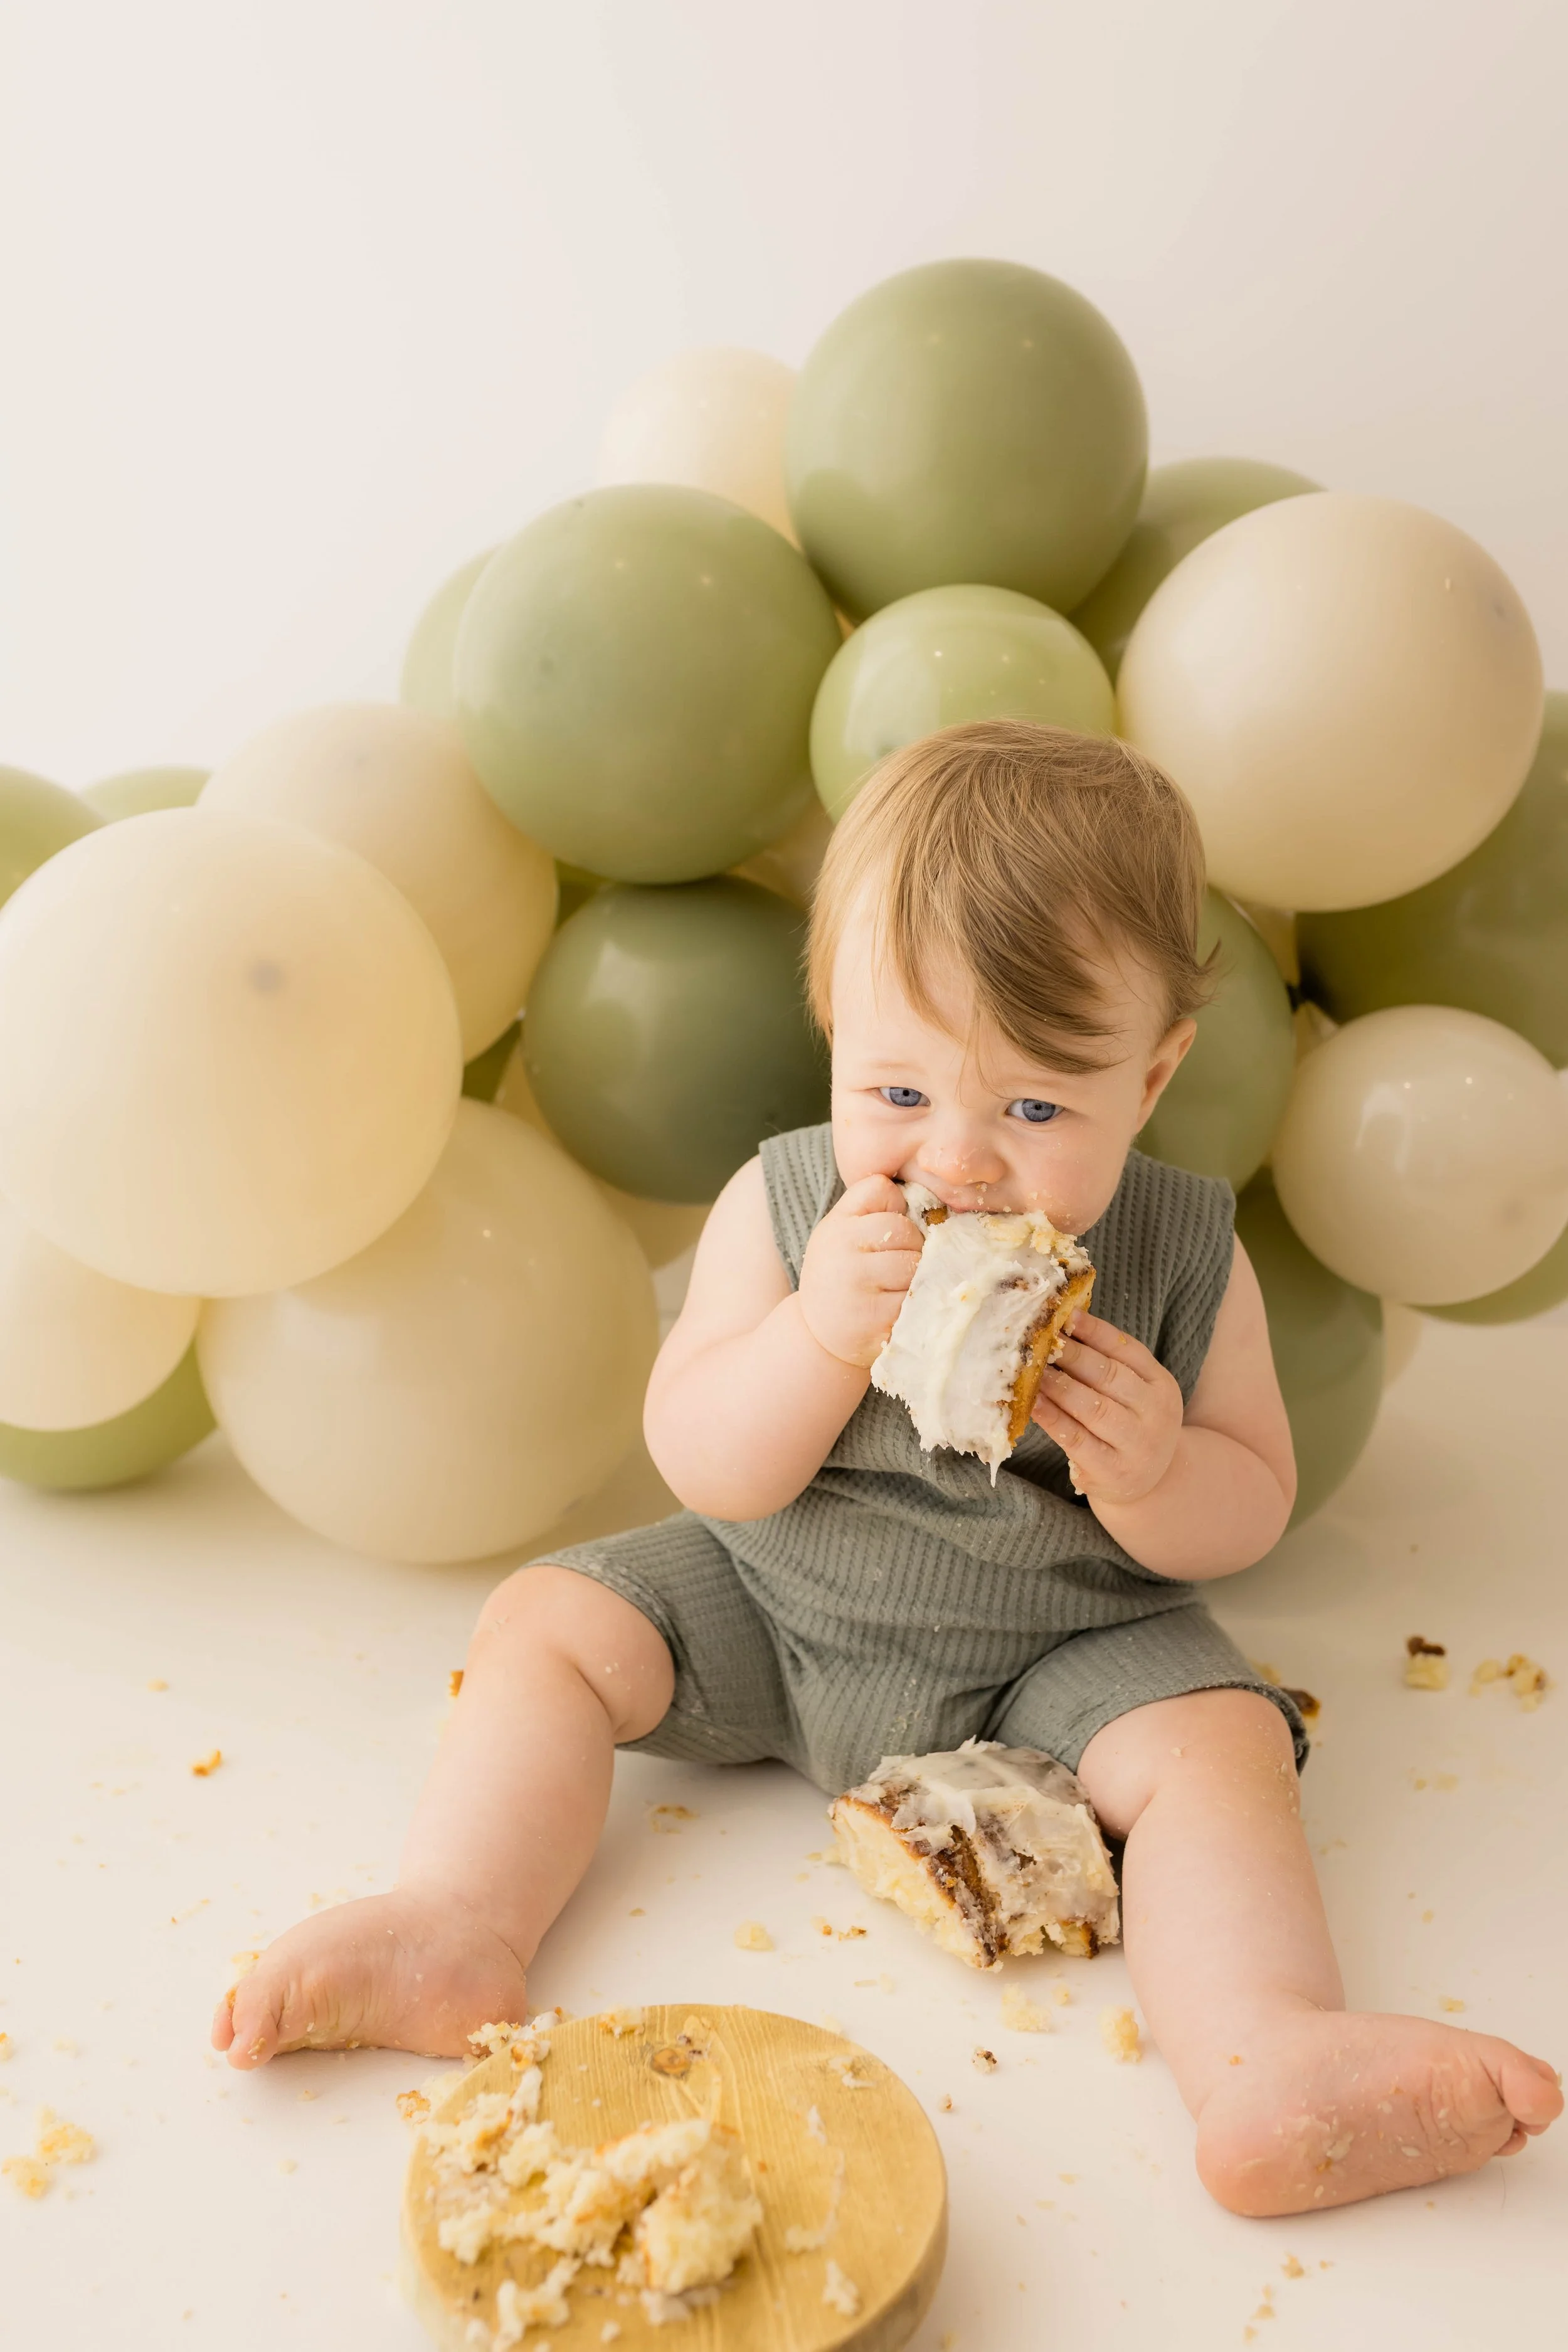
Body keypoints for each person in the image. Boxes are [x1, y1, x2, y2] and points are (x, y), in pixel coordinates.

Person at [215, 720, 1560, 2216]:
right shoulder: (787, 1204)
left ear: (1154, 1073)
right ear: (835, 1037)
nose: (958, 1164)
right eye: (900, 1094)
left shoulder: (1184, 1251)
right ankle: (451, 1917)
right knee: (545, 1624)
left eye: (1037, 1107)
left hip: (1066, 1643)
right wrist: (811, 1338)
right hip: (773, 1599)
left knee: (1218, 1754)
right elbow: (701, 1458)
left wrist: (1157, 1466)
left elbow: (1245, 1510)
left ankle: (1264, 2052)